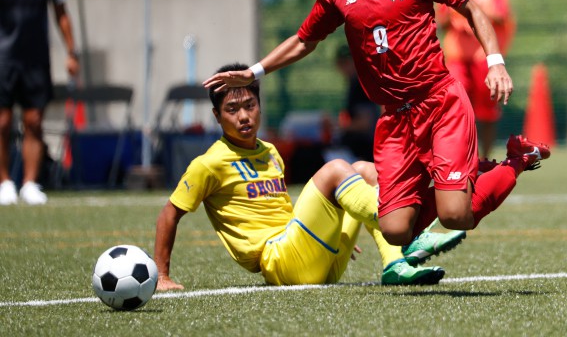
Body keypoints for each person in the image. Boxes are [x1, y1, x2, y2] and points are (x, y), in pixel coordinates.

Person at [203, 0, 550, 250]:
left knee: (455, 216)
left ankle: (515, 160)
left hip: (440, 103)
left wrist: (495, 63)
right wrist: (254, 72)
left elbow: (471, 8)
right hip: (395, 120)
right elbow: (305, 39)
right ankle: (463, 177)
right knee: (397, 231)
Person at [155, 63, 466, 290]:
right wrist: (162, 275)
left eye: (249, 105)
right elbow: (170, 213)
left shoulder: (271, 152)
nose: (243, 116)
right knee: (335, 169)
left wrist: (325, 232)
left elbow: (280, 211)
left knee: (364, 170)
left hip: (316, 260)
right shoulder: (208, 163)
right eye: (232, 109)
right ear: (216, 116)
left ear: (260, 107)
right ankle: (410, 233)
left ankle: (394, 264)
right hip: (280, 263)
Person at [0, 0, 80, 205]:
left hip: (36, 60)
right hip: (3, 60)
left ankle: (30, 183)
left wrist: (71, 52)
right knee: (3, 122)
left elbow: (61, 13)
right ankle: (5, 182)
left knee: (34, 121)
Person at [437, 0, 516, 158]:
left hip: (484, 58)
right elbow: (442, 21)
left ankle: (486, 158)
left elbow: (503, 16)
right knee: (457, 108)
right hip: (458, 58)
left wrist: (478, 15)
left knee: (488, 111)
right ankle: (463, 156)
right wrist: (451, 19)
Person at [334, 44, 378, 162]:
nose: (342, 67)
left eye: (346, 63)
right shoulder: (355, 83)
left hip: (364, 151)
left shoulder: (360, 85)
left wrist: (339, 127)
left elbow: (365, 123)